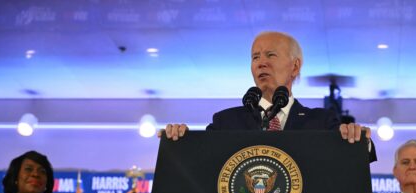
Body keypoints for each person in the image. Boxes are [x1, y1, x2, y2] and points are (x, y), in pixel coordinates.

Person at [160, 31, 376, 160]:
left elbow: (358, 159)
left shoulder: (321, 121)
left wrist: (357, 139)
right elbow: (198, 161)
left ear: (295, 66)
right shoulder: (226, 122)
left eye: (271, 55)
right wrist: (180, 141)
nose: (261, 62)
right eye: (255, 57)